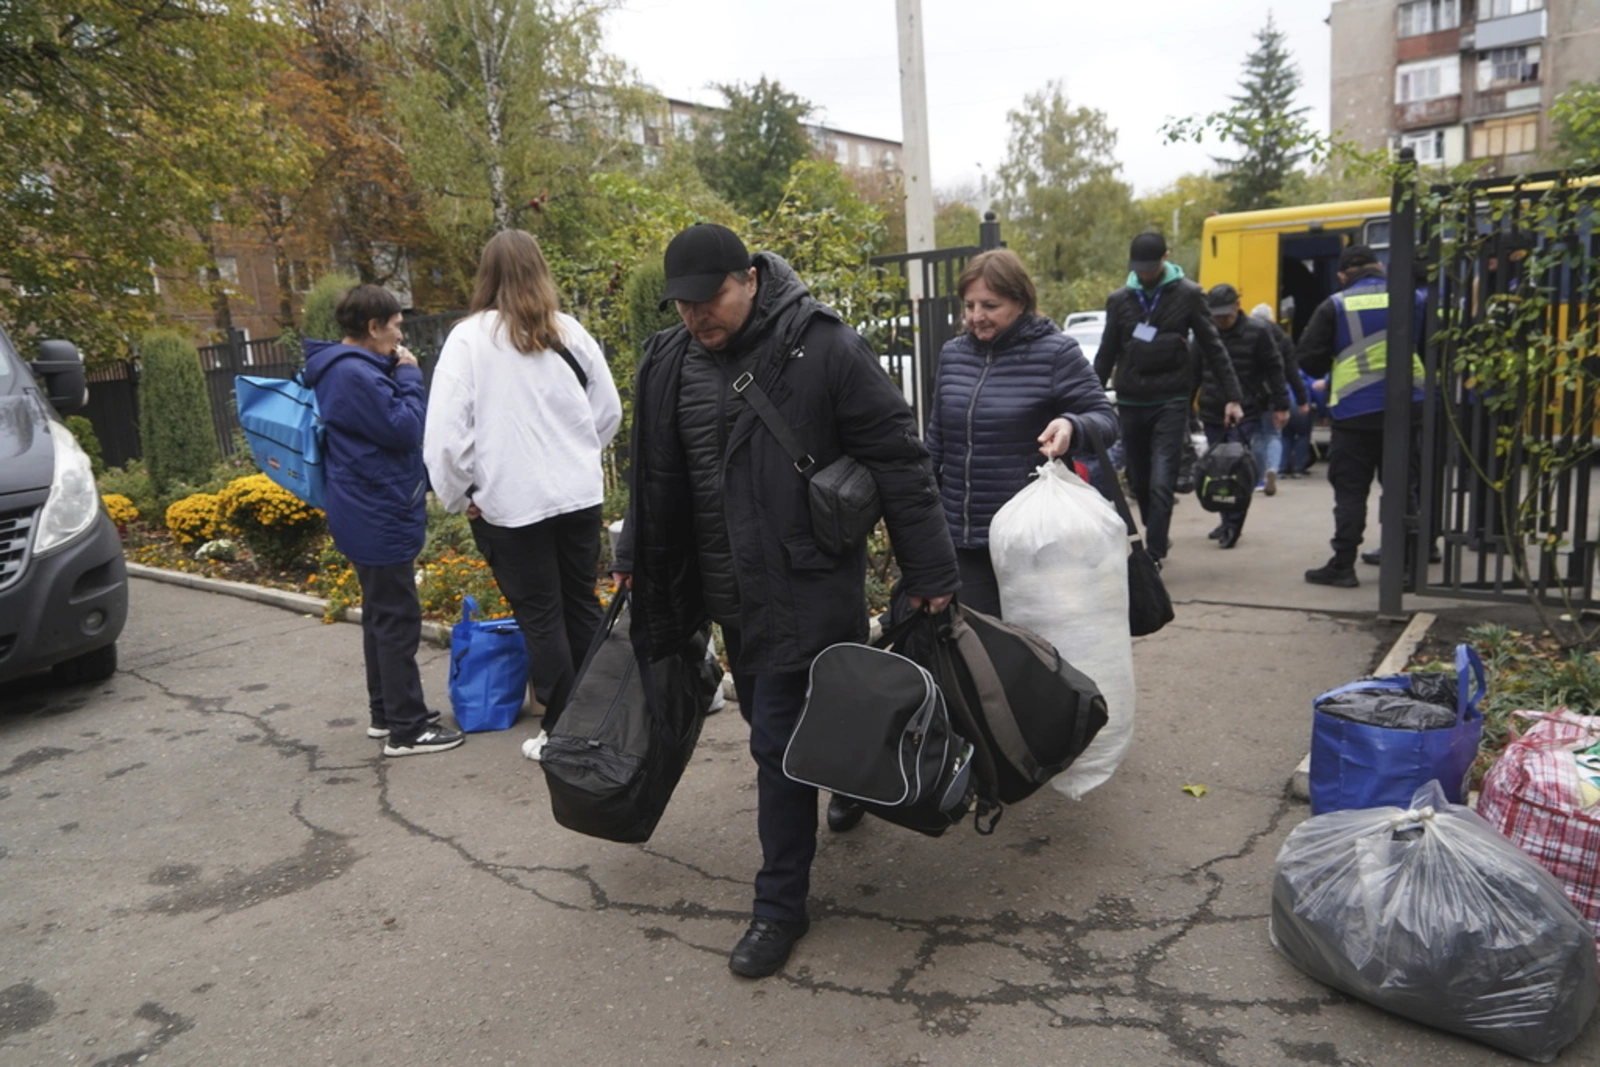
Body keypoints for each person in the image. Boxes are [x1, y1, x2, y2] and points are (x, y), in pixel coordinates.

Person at [611, 223, 958, 980]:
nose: (696, 317)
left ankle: (779, 906)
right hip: (721, 589)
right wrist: (635, 556)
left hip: (803, 580)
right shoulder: (670, 358)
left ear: (750, 280)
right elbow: (652, 475)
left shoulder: (823, 346)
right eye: (682, 306)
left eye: (709, 300)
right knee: (784, 721)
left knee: (775, 741)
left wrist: (930, 572)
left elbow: (897, 457)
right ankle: (848, 779)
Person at [423, 229, 623, 753]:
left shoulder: (468, 340)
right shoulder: (570, 332)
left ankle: (562, 728)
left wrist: (460, 493)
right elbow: (608, 411)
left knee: (541, 615)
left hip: (510, 503)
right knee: (580, 604)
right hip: (578, 496)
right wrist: (577, 453)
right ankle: (602, 715)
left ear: (485, 275)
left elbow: (445, 436)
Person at [303, 285, 464, 757]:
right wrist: (412, 376)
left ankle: (386, 713)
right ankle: (408, 729)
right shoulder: (354, 374)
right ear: (372, 328)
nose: (399, 335)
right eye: (394, 326)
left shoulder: (350, 369)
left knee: (380, 615)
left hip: (366, 505)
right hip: (378, 508)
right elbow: (406, 429)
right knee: (396, 619)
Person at [925, 248, 1118, 614]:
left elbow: (1105, 420)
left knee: (1031, 651)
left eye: (989, 306)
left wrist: (1070, 425)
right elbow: (936, 442)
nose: (976, 317)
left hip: (1032, 541)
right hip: (963, 539)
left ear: (1020, 302)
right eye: (969, 306)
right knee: (976, 650)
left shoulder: (1056, 353)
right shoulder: (953, 354)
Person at [1095, 232, 1243, 564]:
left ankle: (1155, 552)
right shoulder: (1120, 300)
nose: (1146, 274)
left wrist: (1233, 396)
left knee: (1163, 480)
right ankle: (1155, 527)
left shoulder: (1189, 294)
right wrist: (1087, 397)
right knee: (1139, 479)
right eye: (1140, 268)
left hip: (1171, 399)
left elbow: (1212, 347)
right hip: (1132, 399)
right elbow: (1106, 353)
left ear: (1166, 258)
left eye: (1152, 266)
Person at [1296, 245, 1425, 588]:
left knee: (1351, 492)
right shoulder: (1413, 298)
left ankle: (1343, 565)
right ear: (1378, 267)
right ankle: (1409, 568)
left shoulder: (1336, 305)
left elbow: (1308, 360)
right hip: (1407, 407)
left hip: (1355, 412)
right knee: (1402, 488)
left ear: (1342, 275)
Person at [1193, 285, 1289, 549]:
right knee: (1216, 469)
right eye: (1217, 316)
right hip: (1212, 409)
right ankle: (1226, 518)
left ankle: (1234, 523)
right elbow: (1193, 371)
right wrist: (1188, 409)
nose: (1222, 320)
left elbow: (1275, 368)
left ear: (1237, 306)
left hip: (1246, 410)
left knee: (1235, 468)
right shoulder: (1204, 332)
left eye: (1226, 314)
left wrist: (1281, 404)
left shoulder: (1258, 332)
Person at [1254, 303, 1314, 479]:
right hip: (1276, 392)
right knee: (1273, 434)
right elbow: (1293, 372)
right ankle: (1273, 469)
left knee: (1257, 435)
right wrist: (1303, 400)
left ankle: (1259, 476)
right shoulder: (1283, 338)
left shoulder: (1249, 334)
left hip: (1253, 393)